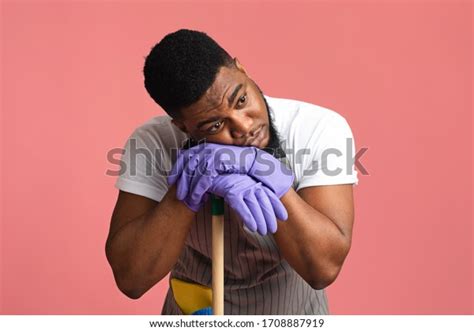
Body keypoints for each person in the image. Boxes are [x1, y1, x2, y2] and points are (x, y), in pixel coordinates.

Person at [105, 29, 359, 315]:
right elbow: (131, 279)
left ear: (241, 69)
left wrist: (270, 179)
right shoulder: (153, 143)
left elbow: (323, 269)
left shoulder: (317, 128)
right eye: (214, 126)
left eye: (241, 100)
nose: (244, 127)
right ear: (183, 127)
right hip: (195, 316)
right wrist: (184, 191)